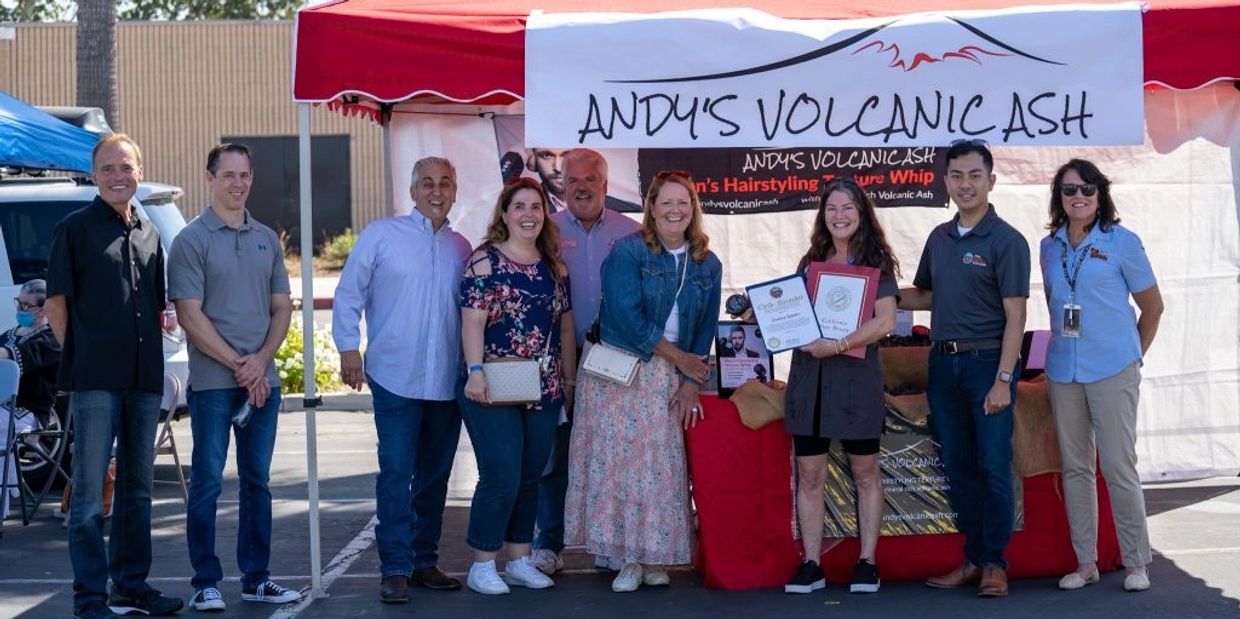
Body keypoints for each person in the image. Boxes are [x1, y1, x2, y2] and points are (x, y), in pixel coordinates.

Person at [45, 134, 184, 619]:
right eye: (107, 168)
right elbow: (56, 303)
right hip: (95, 380)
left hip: (144, 379)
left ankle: (131, 584)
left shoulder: (149, 231)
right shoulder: (74, 229)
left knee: (137, 490)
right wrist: (80, 358)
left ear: (139, 171)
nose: (117, 176)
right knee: (88, 495)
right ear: (94, 175)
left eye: (125, 167)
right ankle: (90, 598)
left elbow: (158, 304)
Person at [564, 170, 722, 593]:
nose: (675, 210)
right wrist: (680, 361)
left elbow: (704, 328)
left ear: (693, 209)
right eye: (666, 202)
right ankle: (626, 558)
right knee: (620, 468)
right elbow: (624, 317)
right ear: (651, 208)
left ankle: (651, 554)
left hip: (669, 375)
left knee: (660, 468)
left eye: (683, 203)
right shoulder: (628, 251)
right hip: (620, 372)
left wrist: (691, 380)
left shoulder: (708, 262)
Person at [332, 156, 471, 603]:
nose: (436, 190)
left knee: (435, 477)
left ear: (455, 191)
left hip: (447, 380)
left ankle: (423, 561)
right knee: (396, 471)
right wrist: (348, 347)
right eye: (427, 183)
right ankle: (394, 567)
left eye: (445, 183)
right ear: (412, 192)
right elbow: (349, 291)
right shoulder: (381, 235)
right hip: (393, 376)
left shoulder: (462, 248)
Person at [169, 144, 299, 611]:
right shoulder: (191, 240)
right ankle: (205, 581)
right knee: (206, 481)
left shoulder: (266, 237)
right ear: (210, 178)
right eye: (228, 175)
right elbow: (191, 316)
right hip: (213, 385)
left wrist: (262, 360)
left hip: (263, 381)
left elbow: (281, 307)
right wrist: (242, 366)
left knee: (257, 482)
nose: (238, 183)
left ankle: (256, 577)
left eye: (244, 175)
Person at [899, 140, 1030, 598]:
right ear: (946, 182)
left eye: (975, 175)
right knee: (958, 466)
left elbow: (1017, 315)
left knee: (993, 465)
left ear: (991, 181)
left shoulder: (1008, 241)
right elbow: (927, 296)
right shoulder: (939, 238)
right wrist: (875, 292)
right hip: (942, 365)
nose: (966, 184)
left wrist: (1003, 379)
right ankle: (974, 559)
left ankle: (995, 563)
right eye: (957, 176)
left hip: (985, 364)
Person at [1039, 159, 1163, 593]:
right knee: (1075, 469)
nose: (1079, 197)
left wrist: (1133, 359)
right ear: (1059, 195)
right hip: (1063, 368)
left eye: (1088, 190)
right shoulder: (1049, 246)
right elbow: (1056, 301)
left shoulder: (1123, 242)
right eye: (1070, 190)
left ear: (1101, 195)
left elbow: (1153, 308)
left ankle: (1136, 562)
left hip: (1113, 368)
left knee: (1117, 465)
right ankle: (1086, 561)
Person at [781, 178, 899, 595]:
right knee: (809, 476)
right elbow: (792, 315)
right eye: (832, 208)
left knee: (865, 473)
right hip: (810, 384)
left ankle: (868, 562)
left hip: (856, 383)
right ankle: (811, 564)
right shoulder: (810, 261)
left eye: (848, 207)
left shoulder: (878, 262)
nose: (840, 216)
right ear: (822, 215)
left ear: (862, 212)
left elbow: (885, 322)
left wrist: (840, 345)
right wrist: (768, 317)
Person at [458, 176, 575, 595]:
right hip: (491, 381)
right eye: (520, 206)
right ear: (505, 214)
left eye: (536, 207)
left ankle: (520, 559)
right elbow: (471, 321)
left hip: (542, 386)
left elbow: (564, 330)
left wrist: (568, 380)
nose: (529, 214)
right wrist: (474, 371)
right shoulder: (484, 261)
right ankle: (482, 563)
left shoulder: (553, 267)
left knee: (530, 475)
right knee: (501, 473)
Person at [530, 149, 640, 576]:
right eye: (571, 180)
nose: (580, 187)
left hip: (617, 361)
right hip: (556, 359)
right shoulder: (545, 230)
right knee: (554, 455)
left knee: (611, 457)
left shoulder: (632, 233)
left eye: (589, 179)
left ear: (605, 185)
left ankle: (607, 543)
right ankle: (547, 545)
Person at [0, 279, 61, 516]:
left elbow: (12, 355)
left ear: (44, 308)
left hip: (30, 412)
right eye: (19, 303)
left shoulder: (51, 339)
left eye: (26, 307)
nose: (19, 311)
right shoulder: (12, 333)